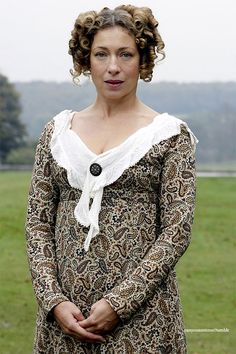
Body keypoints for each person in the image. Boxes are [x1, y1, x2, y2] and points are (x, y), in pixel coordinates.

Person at [25, 4, 198, 354]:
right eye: (101, 54)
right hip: (65, 324)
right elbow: (37, 224)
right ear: (85, 60)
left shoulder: (169, 135)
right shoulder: (57, 133)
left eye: (126, 54)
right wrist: (54, 300)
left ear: (144, 61)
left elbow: (176, 232)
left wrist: (119, 304)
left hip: (144, 322)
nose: (113, 67)